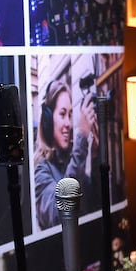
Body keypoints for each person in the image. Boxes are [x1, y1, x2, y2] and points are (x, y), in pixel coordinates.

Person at [32, 72, 98, 230]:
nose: (68, 123)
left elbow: (94, 204)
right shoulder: (41, 171)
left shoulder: (71, 162)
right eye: (62, 114)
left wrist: (96, 157)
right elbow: (60, 214)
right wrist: (81, 137)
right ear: (47, 120)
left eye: (70, 115)